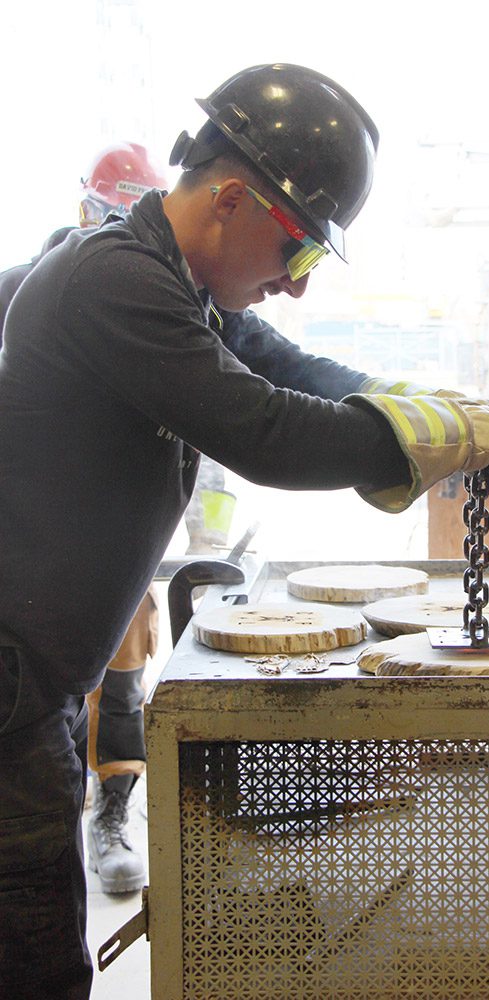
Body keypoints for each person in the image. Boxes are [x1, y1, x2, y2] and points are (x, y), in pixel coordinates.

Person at [0, 62, 489, 999]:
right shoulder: (112, 282)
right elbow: (269, 433)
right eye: (299, 252)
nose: (292, 285)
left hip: (31, 685)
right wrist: (442, 439)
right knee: (31, 958)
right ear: (233, 199)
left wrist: (434, 406)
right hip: (9, 687)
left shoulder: (179, 282)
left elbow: (296, 372)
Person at [0, 143, 167, 898]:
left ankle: (111, 814)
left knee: (120, 675)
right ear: (83, 212)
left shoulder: (158, 309)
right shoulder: (17, 293)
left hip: (114, 553)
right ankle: (58, 827)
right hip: (30, 558)